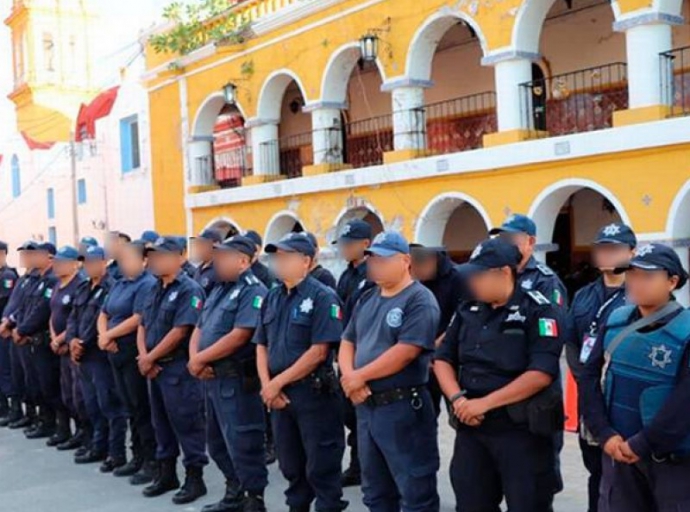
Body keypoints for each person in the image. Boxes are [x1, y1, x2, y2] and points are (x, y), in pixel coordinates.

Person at [434, 237, 564, 512]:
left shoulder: (538, 309)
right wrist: (458, 400)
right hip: (472, 425)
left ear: (504, 272)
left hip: (520, 431)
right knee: (470, 503)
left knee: (528, 504)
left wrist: (485, 403)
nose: (472, 283)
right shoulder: (468, 308)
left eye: (478, 276)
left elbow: (541, 372)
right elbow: (442, 358)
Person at [581, 243, 690, 511]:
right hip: (617, 452)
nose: (636, 283)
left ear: (672, 281)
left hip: (671, 463)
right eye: (631, 275)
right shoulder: (616, 320)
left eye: (647, 276)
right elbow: (589, 377)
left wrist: (642, 443)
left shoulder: (686, 332)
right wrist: (604, 434)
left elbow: (684, 402)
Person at [340, 231, 441, 512]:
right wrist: (349, 376)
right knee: (375, 490)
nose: (375, 265)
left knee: (414, 490)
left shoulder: (419, 299)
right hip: (367, 406)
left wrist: (360, 376)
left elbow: (406, 351)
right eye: (372, 259)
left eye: (383, 259)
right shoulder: (367, 298)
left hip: (402, 407)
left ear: (405, 261)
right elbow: (348, 340)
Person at [254, 232, 347, 512]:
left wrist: (276, 383)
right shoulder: (272, 296)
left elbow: (319, 351)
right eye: (276, 257)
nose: (278, 263)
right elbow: (261, 344)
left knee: (321, 463)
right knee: (290, 462)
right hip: (279, 394)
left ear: (305, 261)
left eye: (285, 257)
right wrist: (267, 385)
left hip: (312, 393)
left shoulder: (322, 297)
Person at [189, 235, 268, 512]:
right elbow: (200, 327)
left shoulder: (253, 292)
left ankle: (253, 499)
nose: (217, 261)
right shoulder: (219, 289)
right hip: (212, 377)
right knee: (217, 443)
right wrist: (195, 358)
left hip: (236, 380)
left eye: (223, 257)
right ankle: (234, 491)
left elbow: (240, 335)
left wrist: (199, 358)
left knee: (243, 441)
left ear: (243, 261)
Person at [565, 223, 636, 512]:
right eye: (603, 248)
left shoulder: (638, 294)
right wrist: (585, 381)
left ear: (632, 252)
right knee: (596, 471)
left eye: (615, 249)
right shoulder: (584, 295)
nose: (607, 255)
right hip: (590, 396)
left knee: (628, 475)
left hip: (624, 397)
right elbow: (571, 341)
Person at [138, 236, 208, 504]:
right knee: (160, 423)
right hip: (154, 368)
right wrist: (145, 356)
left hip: (177, 368)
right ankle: (167, 473)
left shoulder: (190, 290)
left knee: (187, 423)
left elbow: (180, 331)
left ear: (180, 257)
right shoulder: (154, 288)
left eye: (161, 255)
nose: (154, 260)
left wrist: (151, 357)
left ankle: (195, 477)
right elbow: (143, 324)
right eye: (151, 256)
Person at [98, 242, 158, 485]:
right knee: (129, 407)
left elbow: (138, 318)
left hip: (132, 349)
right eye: (121, 259)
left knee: (142, 407)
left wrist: (110, 335)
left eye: (129, 259)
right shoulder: (120, 283)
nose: (123, 263)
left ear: (144, 260)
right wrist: (104, 335)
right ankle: (137, 456)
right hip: (114, 351)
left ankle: (151, 461)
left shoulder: (147, 284)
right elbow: (104, 313)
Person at [68, 246, 128, 472]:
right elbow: (74, 317)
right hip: (82, 355)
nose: (89, 265)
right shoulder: (84, 287)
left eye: (94, 261)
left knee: (109, 405)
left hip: (98, 354)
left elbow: (100, 320)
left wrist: (82, 342)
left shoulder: (110, 288)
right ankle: (98, 445)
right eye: (86, 262)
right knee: (90, 404)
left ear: (104, 262)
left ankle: (116, 452)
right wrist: (72, 339)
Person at [333, 219, 375, 487]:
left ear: (365, 245)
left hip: (365, 353)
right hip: (345, 353)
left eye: (350, 244)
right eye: (343, 244)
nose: (345, 249)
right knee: (349, 413)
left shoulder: (371, 275)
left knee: (363, 414)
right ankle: (359, 464)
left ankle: (363, 466)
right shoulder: (347, 274)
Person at [410, 244, 468, 416]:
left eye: (415, 270)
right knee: (425, 414)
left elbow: (461, 318)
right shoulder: (421, 282)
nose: (414, 275)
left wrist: (434, 347)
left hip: (451, 355)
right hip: (426, 356)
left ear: (430, 261)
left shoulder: (458, 278)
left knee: (458, 412)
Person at [13, 242, 63, 440]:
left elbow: (42, 310)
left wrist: (22, 329)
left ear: (49, 257)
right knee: (35, 384)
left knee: (49, 385)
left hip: (42, 340)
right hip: (29, 339)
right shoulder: (35, 279)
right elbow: (23, 307)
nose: (32, 258)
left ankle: (58, 426)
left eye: (37, 255)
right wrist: (16, 326)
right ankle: (43, 421)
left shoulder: (51, 280)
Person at [49, 246, 88, 450]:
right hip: (59, 346)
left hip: (72, 346)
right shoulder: (57, 285)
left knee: (79, 394)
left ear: (75, 264)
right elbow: (52, 313)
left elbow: (75, 319)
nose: (58, 265)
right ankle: (73, 431)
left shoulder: (79, 285)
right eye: (56, 262)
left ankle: (84, 433)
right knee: (66, 393)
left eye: (62, 262)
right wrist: (54, 337)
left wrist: (62, 338)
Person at [0, 241, 40, 429]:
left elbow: (15, 305)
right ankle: (18, 411)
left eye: (27, 254)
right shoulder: (25, 279)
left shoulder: (9, 276)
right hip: (9, 328)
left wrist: (10, 324)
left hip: (14, 332)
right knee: (13, 373)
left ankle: (27, 413)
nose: (23, 258)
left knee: (18, 374)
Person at [490, 214, 568, 307]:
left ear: (531, 241)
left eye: (511, 238)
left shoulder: (545, 281)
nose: (504, 243)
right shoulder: (493, 275)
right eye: (502, 238)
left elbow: (552, 318)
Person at [0, 241, 19, 426]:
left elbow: (7, 303)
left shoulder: (8, 275)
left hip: (4, 330)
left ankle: (13, 408)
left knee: (6, 370)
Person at [191, 229, 222, 295]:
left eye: (203, 245)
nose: (199, 249)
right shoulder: (199, 269)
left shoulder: (220, 270)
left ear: (215, 245)